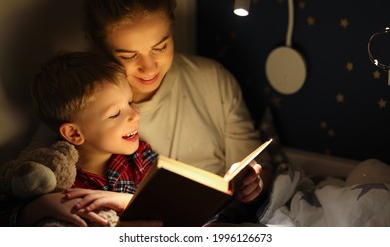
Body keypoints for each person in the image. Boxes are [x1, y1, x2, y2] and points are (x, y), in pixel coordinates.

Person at [0, 51, 263, 226]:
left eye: (130, 103)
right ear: (74, 133)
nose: (134, 116)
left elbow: (173, 209)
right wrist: (38, 207)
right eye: (116, 114)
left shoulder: (139, 157)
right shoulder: (56, 179)